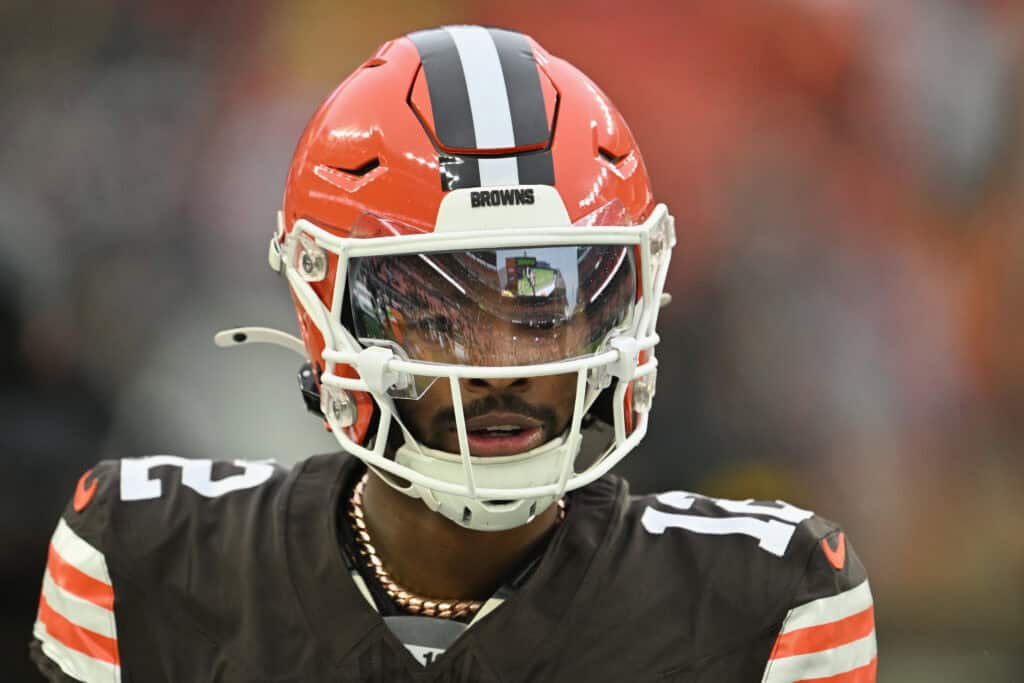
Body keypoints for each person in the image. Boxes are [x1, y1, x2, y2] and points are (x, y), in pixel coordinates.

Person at [30, 26, 876, 682]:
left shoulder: (763, 602)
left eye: (541, 313)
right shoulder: (150, 559)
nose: (500, 363)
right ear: (328, 310)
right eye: (438, 317)